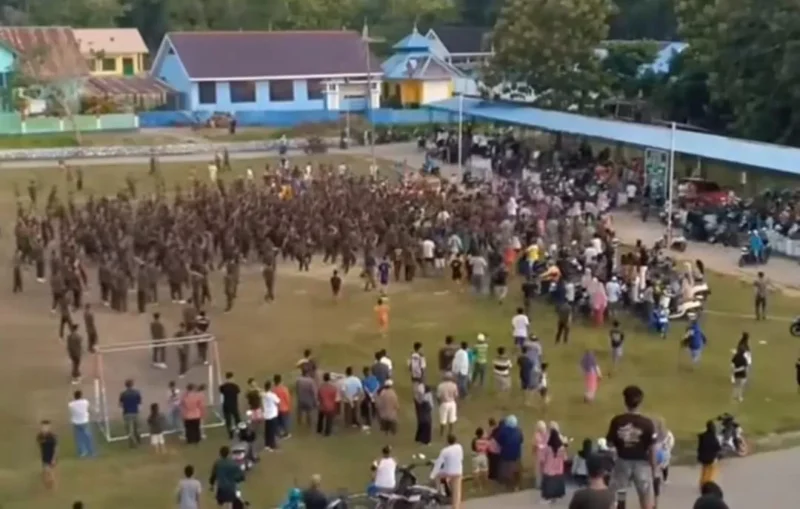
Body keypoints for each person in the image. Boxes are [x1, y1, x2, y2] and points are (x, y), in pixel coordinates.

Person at [606, 385, 656, 509]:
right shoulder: (648, 423)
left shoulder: (617, 421)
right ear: (640, 402)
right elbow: (652, 449)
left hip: (622, 461)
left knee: (618, 495)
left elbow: (610, 444)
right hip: (642, 464)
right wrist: (654, 469)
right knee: (645, 497)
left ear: (625, 401)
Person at [430, 434, 464, 509]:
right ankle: (456, 506)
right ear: (455, 440)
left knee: (438, 476)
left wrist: (432, 475)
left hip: (448, 472)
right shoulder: (459, 447)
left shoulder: (444, 451)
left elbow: (439, 463)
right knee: (457, 491)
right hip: (458, 471)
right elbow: (461, 458)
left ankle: (439, 491)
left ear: (447, 441)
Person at [494, 415, 523, 491]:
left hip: (506, 455)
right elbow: (521, 440)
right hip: (517, 454)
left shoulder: (503, 431)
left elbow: (498, 440)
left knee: (507, 470)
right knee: (516, 470)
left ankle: (509, 485)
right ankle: (517, 485)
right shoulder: (519, 431)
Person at [540, 428, 567, 503]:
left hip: (548, 470)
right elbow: (565, 458)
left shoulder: (547, 448)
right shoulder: (562, 448)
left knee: (549, 485)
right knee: (556, 483)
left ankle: (548, 497)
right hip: (559, 470)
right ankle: (555, 497)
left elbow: (542, 459)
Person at [68, 390, 94, 458]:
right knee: (88, 437)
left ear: (74, 396)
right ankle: (91, 451)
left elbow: (71, 411)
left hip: (76, 422)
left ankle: (83, 452)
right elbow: (88, 409)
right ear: (81, 395)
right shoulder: (85, 402)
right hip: (85, 422)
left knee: (79, 438)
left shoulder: (71, 404)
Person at [697, 420, 722, 489]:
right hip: (710, 458)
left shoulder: (702, 436)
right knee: (711, 471)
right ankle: (707, 485)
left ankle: (701, 483)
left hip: (702, 457)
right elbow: (718, 448)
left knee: (704, 470)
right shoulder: (713, 437)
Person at [119, 379, 142, 447]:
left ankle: (133, 444)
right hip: (135, 412)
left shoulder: (123, 394)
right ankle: (138, 440)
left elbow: (120, 404)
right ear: (132, 385)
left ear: (126, 385)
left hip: (127, 413)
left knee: (130, 430)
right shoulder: (137, 392)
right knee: (137, 428)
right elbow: (139, 402)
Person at [220, 372, 242, 438]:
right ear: (232, 378)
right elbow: (238, 392)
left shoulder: (222, 387)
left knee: (228, 421)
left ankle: (230, 434)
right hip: (234, 405)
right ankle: (240, 431)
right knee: (237, 419)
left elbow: (221, 391)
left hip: (226, 405)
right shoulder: (235, 386)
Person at [436, 373, 459, 437]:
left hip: (444, 403)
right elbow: (456, 395)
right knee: (452, 419)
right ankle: (450, 432)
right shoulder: (454, 385)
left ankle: (441, 433)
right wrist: (456, 403)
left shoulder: (440, 386)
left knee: (443, 420)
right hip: (452, 403)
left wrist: (439, 404)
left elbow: (438, 396)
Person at [37, 420, 57, 489]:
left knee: (50, 473)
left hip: (51, 457)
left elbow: (55, 448)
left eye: (46, 427)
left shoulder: (52, 437)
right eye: (43, 427)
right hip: (44, 457)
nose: (44, 429)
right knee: (45, 473)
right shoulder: (40, 436)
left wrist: (53, 459)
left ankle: (53, 486)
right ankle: (48, 487)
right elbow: (39, 444)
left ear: (49, 427)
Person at [262, 380, 281, 451]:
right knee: (272, 431)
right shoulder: (272, 395)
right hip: (272, 415)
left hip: (266, 415)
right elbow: (278, 401)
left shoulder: (263, 394)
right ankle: (272, 445)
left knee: (267, 430)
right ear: (270, 387)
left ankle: (267, 444)